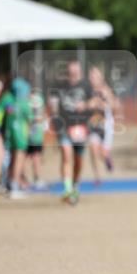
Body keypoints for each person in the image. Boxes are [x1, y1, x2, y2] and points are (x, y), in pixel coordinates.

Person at [50, 60, 101, 205]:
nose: (74, 75)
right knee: (66, 155)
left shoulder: (86, 85)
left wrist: (84, 104)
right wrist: (54, 117)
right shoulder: (60, 85)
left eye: (76, 73)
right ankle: (67, 189)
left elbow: (95, 101)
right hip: (65, 126)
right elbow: (53, 102)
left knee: (78, 160)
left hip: (80, 128)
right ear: (68, 72)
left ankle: (75, 185)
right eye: (71, 73)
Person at [3, 78, 33, 199]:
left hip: (10, 134)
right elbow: (31, 120)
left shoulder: (9, 102)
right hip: (21, 135)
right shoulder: (24, 104)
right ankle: (15, 187)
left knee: (12, 159)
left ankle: (10, 184)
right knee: (18, 160)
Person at [25, 85, 48, 189]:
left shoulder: (27, 99)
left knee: (26, 156)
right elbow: (41, 116)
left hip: (28, 133)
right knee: (36, 156)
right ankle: (37, 179)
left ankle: (24, 178)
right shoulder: (38, 99)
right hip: (34, 134)